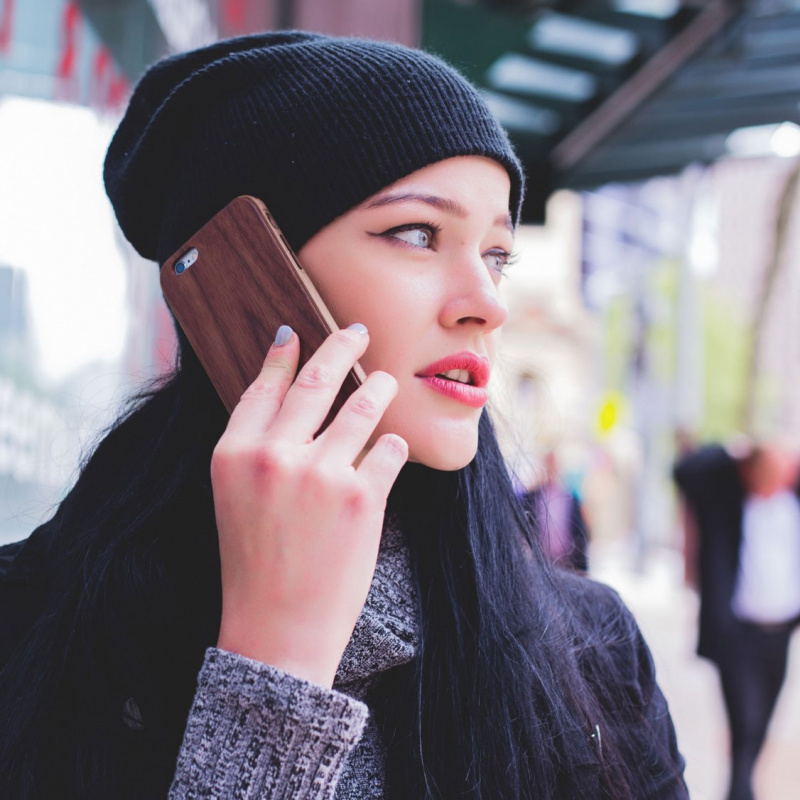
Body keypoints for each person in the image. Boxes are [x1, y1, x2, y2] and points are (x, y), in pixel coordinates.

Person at [0, 32, 687, 798]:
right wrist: (274, 668)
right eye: (416, 233)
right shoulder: (34, 631)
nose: (487, 305)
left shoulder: (589, 650)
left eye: (497, 254)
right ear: (246, 275)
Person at [674, 440, 800, 800]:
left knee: (758, 729)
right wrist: (734, 451)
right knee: (744, 727)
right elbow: (685, 471)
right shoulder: (727, 502)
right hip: (739, 638)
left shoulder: (793, 501)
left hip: (779, 636)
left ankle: (740, 788)